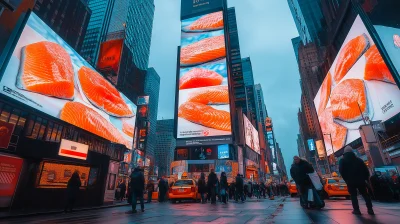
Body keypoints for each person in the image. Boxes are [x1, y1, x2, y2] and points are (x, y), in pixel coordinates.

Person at [339, 146, 374, 215]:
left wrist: (346, 180)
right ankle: (370, 209)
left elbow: (341, 171)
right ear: (352, 152)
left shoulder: (342, 160)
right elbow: (366, 171)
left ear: (344, 153)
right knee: (365, 194)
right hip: (361, 181)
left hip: (350, 181)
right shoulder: (359, 160)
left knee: (353, 196)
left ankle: (356, 210)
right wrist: (365, 179)